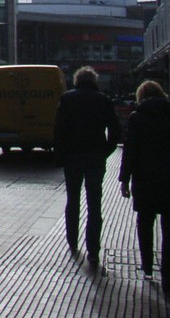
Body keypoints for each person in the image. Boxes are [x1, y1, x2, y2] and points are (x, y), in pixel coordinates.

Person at [119, 80, 170, 295]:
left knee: (145, 222)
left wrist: (124, 179)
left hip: (146, 181)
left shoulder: (137, 119)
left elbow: (130, 151)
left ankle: (147, 266)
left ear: (140, 97)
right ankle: (167, 275)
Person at [54, 65, 121, 264]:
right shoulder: (103, 100)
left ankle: (72, 241)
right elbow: (115, 131)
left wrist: (61, 155)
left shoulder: (67, 99)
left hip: (72, 157)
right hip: (94, 158)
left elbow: (59, 130)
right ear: (94, 81)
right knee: (94, 204)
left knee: (72, 200)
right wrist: (104, 152)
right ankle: (93, 248)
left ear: (76, 80)